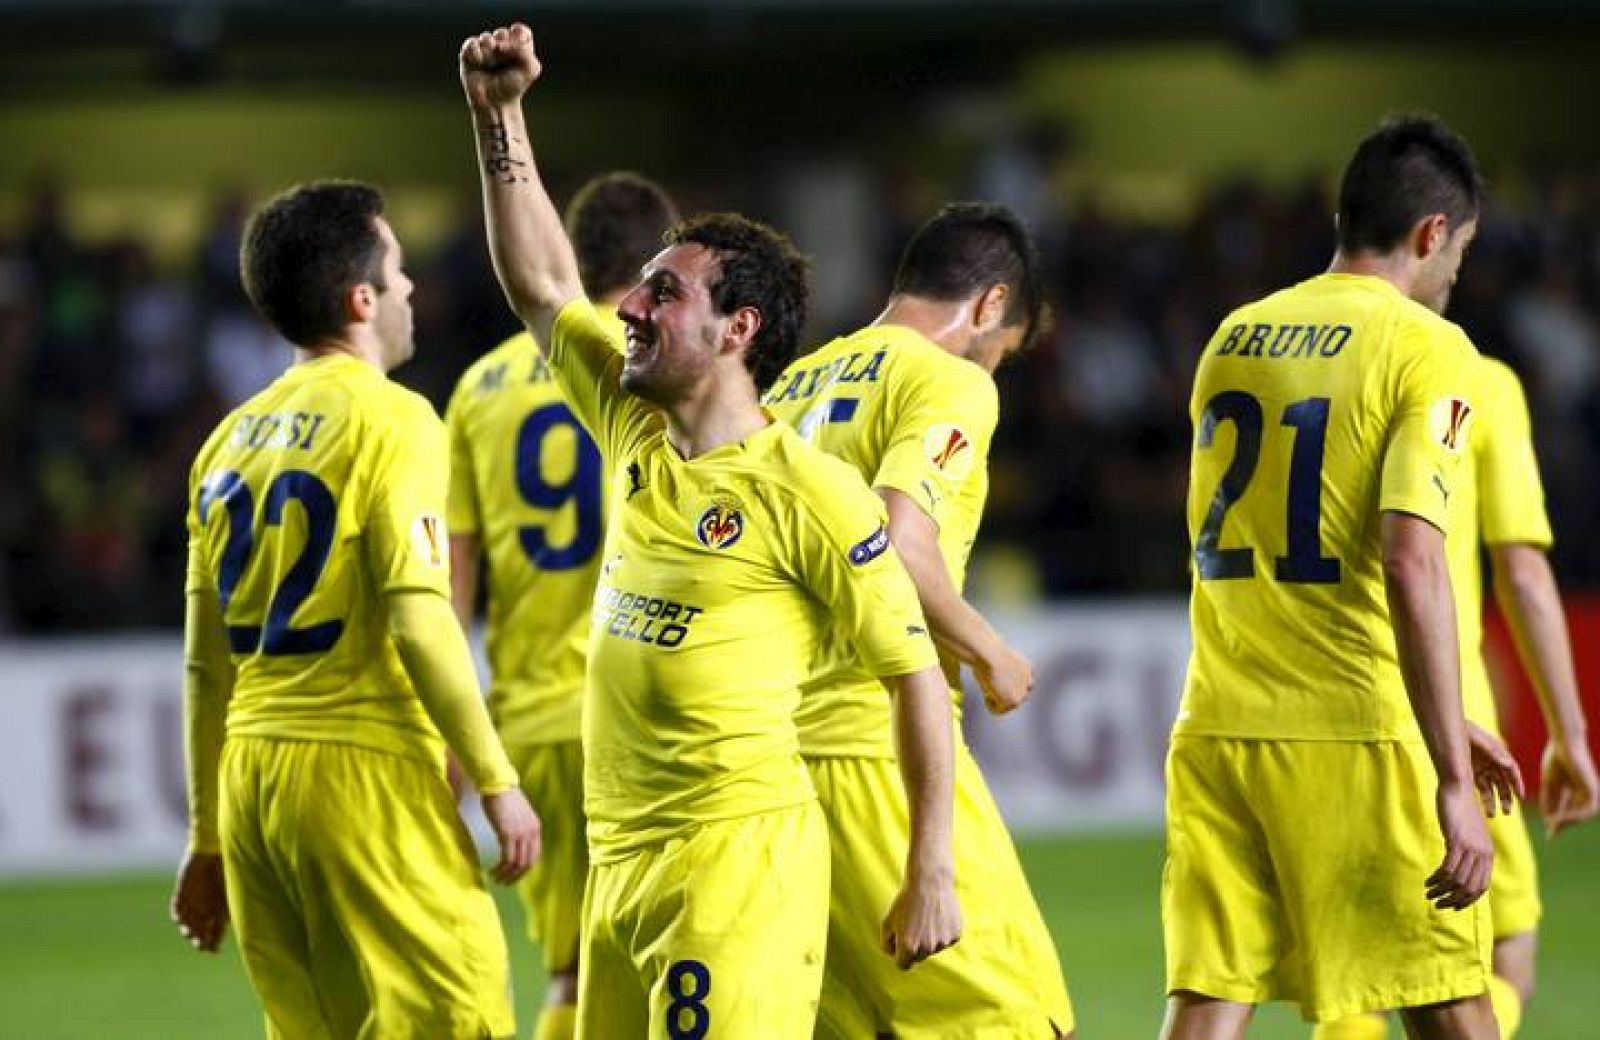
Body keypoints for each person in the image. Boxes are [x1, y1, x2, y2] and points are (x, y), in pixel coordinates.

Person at [460, 23, 962, 1038]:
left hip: (729, 870)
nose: (632, 306)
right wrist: (500, 116)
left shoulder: (809, 492)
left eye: (663, 290)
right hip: (619, 861)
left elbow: (912, 674)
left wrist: (930, 869)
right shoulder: (632, 419)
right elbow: (544, 287)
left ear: (736, 332)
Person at [1161, 115, 1524, 1040]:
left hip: (1219, 726)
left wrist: (1448, 718)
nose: (1456, 276)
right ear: (1433, 234)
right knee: (1449, 994)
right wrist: (1445, 771)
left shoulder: (1233, 337)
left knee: (1209, 995)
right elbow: (1412, 560)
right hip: (1357, 734)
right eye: (1462, 252)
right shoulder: (1428, 347)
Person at [169, 181, 540, 1038]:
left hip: (254, 785)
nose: (412, 290)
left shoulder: (226, 442)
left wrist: (207, 837)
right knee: (461, 1017)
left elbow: (204, 664)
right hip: (361, 772)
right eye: (400, 272)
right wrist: (496, 779)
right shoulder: (395, 420)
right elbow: (420, 615)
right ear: (361, 298)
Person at [763, 201, 1074, 1038]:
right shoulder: (949, 379)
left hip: (776, 764)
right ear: (986, 305)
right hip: (877, 747)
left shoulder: (791, 383)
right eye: (1001, 352)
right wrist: (987, 648)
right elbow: (899, 544)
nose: (992, 370)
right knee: (1021, 1018)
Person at [445, 171, 680, 1040]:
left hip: (533, 716)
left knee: (573, 972)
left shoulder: (478, 389)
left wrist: (452, 730)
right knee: (683, 960)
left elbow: (453, 585)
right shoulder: (661, 363)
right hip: (649, 707)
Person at [1313, 355, 1599, 1040]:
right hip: (1451, 717)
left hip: (1326, 716)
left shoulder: (1307, 367)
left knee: (1358, 977)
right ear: (1437, 242)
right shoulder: (1478, 382)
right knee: (1508, 951)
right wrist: (1570, 734)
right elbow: (1523, 574)